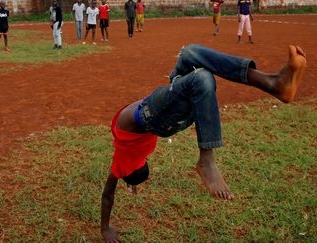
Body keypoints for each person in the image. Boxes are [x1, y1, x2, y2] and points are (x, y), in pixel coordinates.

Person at [100, 44, 307, 241]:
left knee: (190, 54)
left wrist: (127, 189)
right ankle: (206, 159)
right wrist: (105, 227)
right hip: (153, 116)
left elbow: (111, 191)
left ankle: (274, 83)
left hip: (165, 104)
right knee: (202, 78)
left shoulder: (126, 162)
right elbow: (107, 195)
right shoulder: (124, 160)